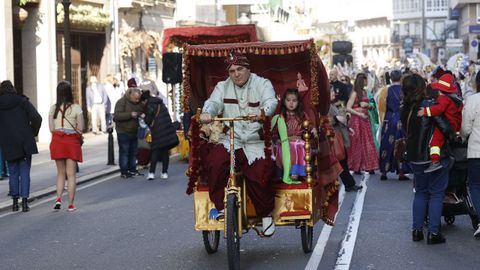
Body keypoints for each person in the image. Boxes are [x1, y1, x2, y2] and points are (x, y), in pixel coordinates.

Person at [200, 52, 278, 236]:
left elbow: (271, 102)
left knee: (262, 172)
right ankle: (221, 207)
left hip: (254, 142)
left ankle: (265, 215)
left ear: (248, 68)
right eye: (232, 71)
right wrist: (207, 113)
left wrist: (263, 113)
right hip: (230, 140)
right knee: (216, 163)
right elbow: (212, 103)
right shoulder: (222, 86)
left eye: (240, 69)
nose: (236, 74)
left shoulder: (262, 83)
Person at [401, 73, 452, 245]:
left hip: (415, 157)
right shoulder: (429, 105)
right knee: (437, 194)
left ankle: (417, 231)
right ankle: (433, 233)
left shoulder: (405, 108)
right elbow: (445, 127)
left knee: (420, 192)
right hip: (434, 155)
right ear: (422, 87)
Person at [0, 80, 42, 212]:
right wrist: (32, 133)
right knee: (24, 172)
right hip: (24, 141)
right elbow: (37, 118)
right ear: (13, 88)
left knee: (13, 172)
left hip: (8, 142)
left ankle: (14, 202)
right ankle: (24, 202)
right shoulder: (22, 101)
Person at [49, 81, 84, 212]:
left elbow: (51, 128)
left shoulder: (53, 108)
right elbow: (81, 128)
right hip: (71, 143)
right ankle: (70, 204)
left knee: (60, 173)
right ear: (70, 92)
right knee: (71, 175)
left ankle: (58, 199)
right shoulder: (76, 108)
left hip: (57, 142)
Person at [417, 73, 463, 173]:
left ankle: (435, 161)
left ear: (440, 90)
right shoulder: (456, 99)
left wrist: (425, 111)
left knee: (435, 142)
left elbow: (438, 109)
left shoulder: (443, 98)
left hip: (446, 123)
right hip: (454, 125)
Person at [272, 88, 316, 184]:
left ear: (298, 102)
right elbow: (274, 132)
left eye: (294, 100)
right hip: (285, 142)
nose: (291, 103)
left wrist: (313, 130)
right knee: (287, 146)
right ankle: (287, 173)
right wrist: (277, 140)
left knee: (299, 145)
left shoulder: (302, 115)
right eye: (288, 100)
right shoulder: (281, 116)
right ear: (284, 102)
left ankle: (295, 173)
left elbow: (310, 127)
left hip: (299, 141)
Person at [328, 86, 362, 192]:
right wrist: (335, 119)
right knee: (340, 161)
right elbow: (324, 120)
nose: (334, 93)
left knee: (342, 161)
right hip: (332, 138)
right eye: (332, 91)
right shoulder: (325, 107)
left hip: (338, 136)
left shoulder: (331, 104)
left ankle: (349, 184)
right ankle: (348, 184)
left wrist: (348, 128)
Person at [379, 70, 410, 181]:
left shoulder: (385, 90)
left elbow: (381, 107)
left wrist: (382, 121)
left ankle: (384, 171)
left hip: (389, 118)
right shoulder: (405, 90)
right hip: (401, 119)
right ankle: (401, 171)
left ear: (391, 78)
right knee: (401, 144)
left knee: (387, 145)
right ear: (401, 78)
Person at [141, 90, 178, 180]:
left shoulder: (148, 106)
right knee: (165, 151)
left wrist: (143, 116)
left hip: (158, 131)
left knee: (155, 152)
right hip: (167, 129)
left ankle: (151, 173)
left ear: (145, 100)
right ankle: (164, 173)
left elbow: (148, 120)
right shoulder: (160, 103)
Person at [346, 73, 379, 174]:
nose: (367, 82)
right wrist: (359, 114)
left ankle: (370, 166)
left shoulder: (366, 92)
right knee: (357, 142)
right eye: (365, 80)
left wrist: (368, 105)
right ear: (362, 81)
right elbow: (348, 107)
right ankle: (357, 166)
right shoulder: (355, 93)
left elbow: (372, 106)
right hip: (357, 121)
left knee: (368, 142)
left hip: (365, 120)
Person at [461, 71, 480, 237]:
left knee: (475, 185)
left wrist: (463, 136)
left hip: (476, 150)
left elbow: (466, 128)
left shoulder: (473, 100)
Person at [113, 87, 144, 178]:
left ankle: (132, 169)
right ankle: (124, 171)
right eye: (135, 98)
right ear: (130, 95)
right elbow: (117, 116)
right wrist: (130, 114)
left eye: (138, 98)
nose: (137, 100)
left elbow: (141, 110)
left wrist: (140, 113)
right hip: (123, 131)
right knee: (124, 152)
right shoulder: (121, 102)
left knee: (133, 152)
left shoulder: (139, 103)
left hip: (134, 131)